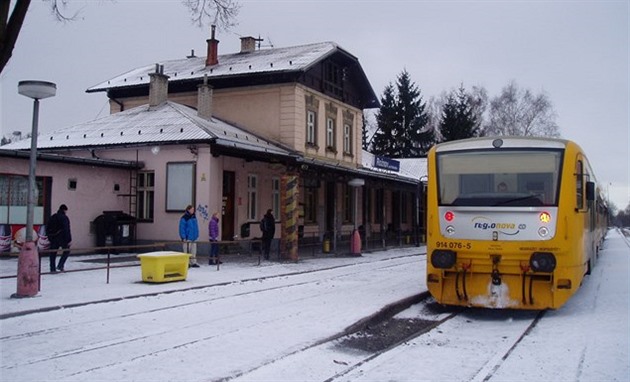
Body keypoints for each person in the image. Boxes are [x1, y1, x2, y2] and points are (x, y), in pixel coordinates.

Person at [47, 204, 72, 272]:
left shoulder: (53, 217)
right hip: (62, 238)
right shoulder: (64, 218)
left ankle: (52, 269)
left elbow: (48, 227)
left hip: (53, 238)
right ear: (64, 210)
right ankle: (60, 265)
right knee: (66, 251)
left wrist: (49, 237)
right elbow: (66, 229)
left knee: (53, 253)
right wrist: (69, 240)